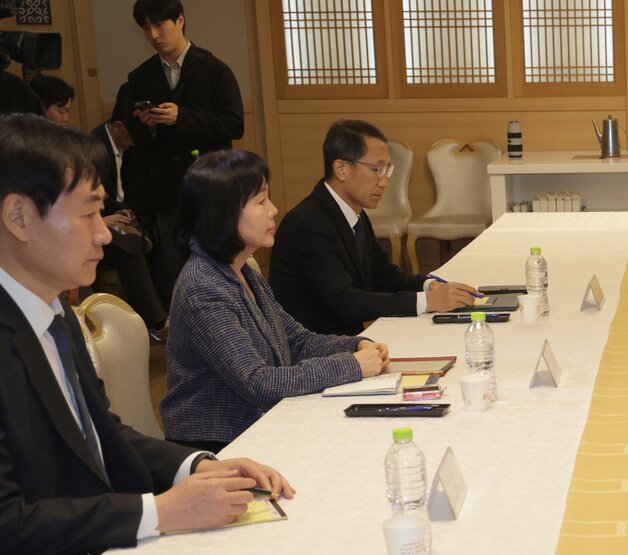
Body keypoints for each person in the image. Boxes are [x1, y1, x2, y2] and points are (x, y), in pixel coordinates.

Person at [0, 113, 293, 555]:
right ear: (19, 217)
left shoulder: (53, 311)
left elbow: (103, 433)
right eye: (89, 213)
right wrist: (160, 512)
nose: (104, 235)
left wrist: (198, 466)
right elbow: (8, 522)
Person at [162, 149, 388, 451]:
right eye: (261, 201)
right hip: (218, 447)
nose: (273, 209)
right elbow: (258, 383)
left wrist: (355, 345)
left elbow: (296, 341)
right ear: (223, 212)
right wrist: (352, 365)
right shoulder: (202, 287)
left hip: (258, 426)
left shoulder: (243, 271)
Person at [271, 119, 479, 335]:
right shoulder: (308, 224)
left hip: (347, 339)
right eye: (376, 169)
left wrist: (429, 285)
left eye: (386, 170)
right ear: (341, 169)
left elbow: (382, 276)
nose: (384, 182)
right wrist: (427, 301)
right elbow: (344, 302)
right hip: (316, 347)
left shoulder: (355, 214)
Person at [120, 0, 244, 305]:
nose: (153, 34)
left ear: (180, 20)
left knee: (219, 262)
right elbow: (133, 137)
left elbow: (234, 124)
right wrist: (148, 126)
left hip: (210, 185)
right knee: (178, 269)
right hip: (167, 188)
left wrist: (182, 117)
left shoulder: (213, 69)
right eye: (146, 28)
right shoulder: (141, 76)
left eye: (159, 25)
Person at [89, 91, 167, 334]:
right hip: (92, 228)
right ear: (118, 127)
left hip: (111, 218)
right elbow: (89, 203)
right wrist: (104, 219)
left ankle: (153, 315)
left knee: (151, 236)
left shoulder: (126, 147)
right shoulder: (95, 148)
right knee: (130, 246)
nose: (137, 141)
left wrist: (124, 213)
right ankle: (155, 321)